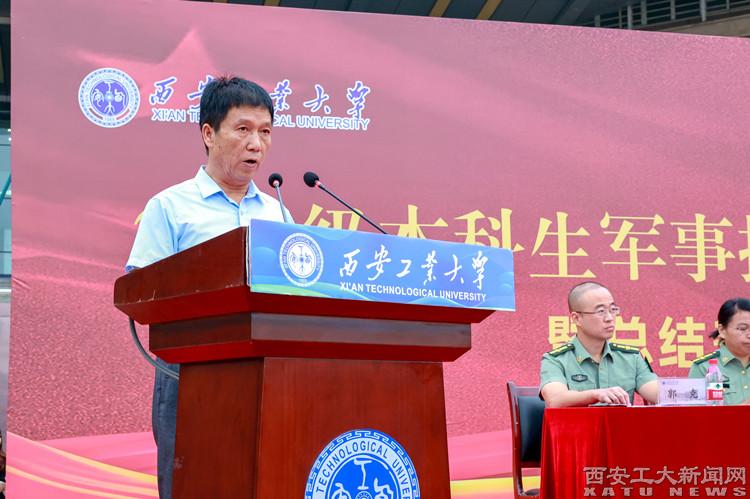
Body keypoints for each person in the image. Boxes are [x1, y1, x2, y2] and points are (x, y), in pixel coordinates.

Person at [125, 76, 291, 499]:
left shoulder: (277, 213)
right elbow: (140, 293)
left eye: (265, 131)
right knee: (191, 484)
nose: (256, 143)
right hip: (189, 375)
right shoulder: (170, 206)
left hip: (266, 373)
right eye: (243, 129)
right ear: (208, 133)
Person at [540, 281, 659, 407]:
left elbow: (658, 394)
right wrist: (595, 395)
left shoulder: (631, 358)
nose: (609, 318)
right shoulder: (556, 360)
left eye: (613, 310)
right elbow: (555, 399)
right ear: (576, 318)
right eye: (601, 311)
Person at [689, 297, 750, 405]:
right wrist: (744, 407)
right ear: (722, 330)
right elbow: (694, 414)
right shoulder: (703, 367)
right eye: (742, 328)